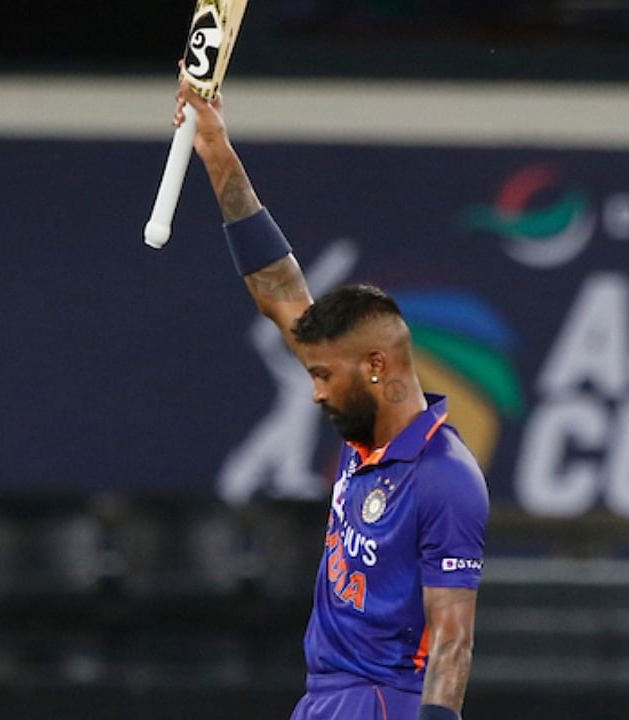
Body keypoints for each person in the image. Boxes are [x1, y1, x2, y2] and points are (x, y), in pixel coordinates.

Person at [177, 80, 489, 720]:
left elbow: (453, 643)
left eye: (322, 374)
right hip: (325, 696)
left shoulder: (448, 479)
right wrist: (216, 151)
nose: (313, 390)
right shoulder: (363, 431)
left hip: (380, 705)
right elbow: (277, 286)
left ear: (376, 367)